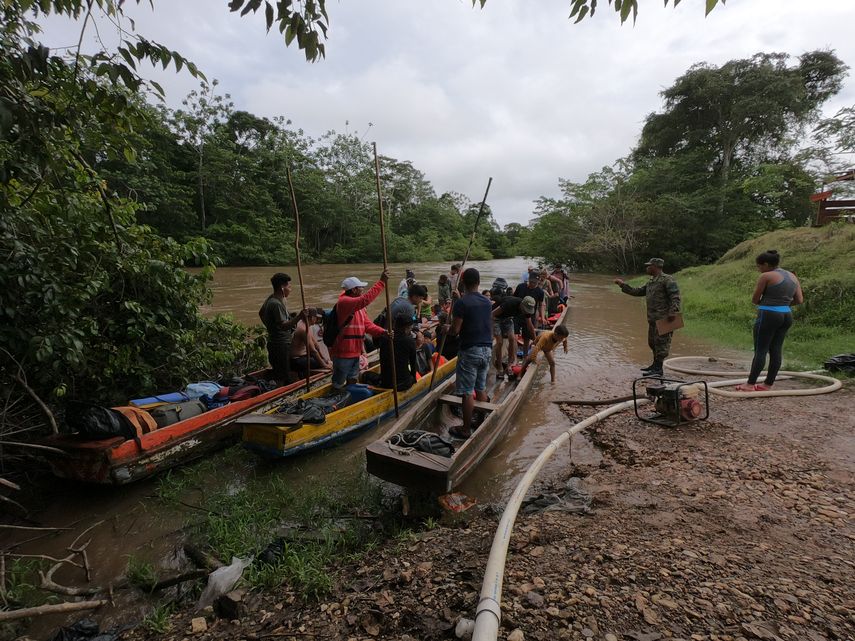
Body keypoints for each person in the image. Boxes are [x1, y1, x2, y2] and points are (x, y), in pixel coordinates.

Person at [735, 250, 804, 392]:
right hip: (786, 315)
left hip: (768, 315)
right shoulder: (792, 275)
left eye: (759, 266)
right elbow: (799, 300)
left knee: (761, 350)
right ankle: (768, 384)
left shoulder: (766, 276)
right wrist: (782, 304)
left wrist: (770, 304)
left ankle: (749, 384)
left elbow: (755, 299)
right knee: (776, 349)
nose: (758, 269)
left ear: (766, 264)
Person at [444, 267, 493, 439]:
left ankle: (465, 428)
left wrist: (446, 329)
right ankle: (479, 418)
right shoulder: (487, 302)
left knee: (466, 391)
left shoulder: (462, 303)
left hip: (470, 350)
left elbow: (455, 330)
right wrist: (459, 300)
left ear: (463, 283)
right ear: (478, 283)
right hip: (487, 349)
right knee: (480, 387)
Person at [614, 257, 681, 376]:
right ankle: (654, 365)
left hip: (665, 318)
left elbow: (675, 296)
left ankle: (658, 369)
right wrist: (623, 285)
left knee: (662, 344)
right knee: (653, 343)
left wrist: (673, 312)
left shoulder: (668, 280)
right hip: (653, 318)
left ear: (655, 267)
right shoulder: (651, 281)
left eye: (649, 266)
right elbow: (638, 291)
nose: (647, 268)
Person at [330, 271, 389, 390]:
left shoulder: (359, 308)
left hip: (355, 351)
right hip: (343, 352)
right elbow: (365, 300)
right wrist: (381, 282)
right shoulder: (344, 302)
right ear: (354, 290)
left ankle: (350, 397)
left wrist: (383, 332)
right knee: (338, 383)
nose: (363, 290)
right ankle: (336, 400)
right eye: (361, 288)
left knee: (353, 379)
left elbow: (367, 325)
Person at [259, 273, 304, 383]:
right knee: (284, 377)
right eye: (289, 287)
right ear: (282, 288)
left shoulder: (272, 298)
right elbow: (283, 326)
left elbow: (261, 313)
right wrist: (299, 317)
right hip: (280, 344)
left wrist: (272, 326)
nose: (290, 289)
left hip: (275, 342)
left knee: (281, 371)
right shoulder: (276, 304)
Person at [492, 295, 537, 375]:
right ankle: (499, 365)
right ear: (522, 305)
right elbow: (492, 314)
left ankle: (510, 363)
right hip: (496, 318)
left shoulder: (527, 311)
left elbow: (530, 326)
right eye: (525, 310)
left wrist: (536, 341)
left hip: (508, 318)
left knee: (512, 339)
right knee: (499, 342)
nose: (526, 312)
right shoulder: (510, 303)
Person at [378, 314, 418, 391]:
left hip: (385, 382)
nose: (410, 330)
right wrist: (414, 379)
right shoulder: (409, 341)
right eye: (410, 328)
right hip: (402, 383)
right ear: (406, 328)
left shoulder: (384, 338)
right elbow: (413, 362)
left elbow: (382, 360)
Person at [291, 308, 332, 376]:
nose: (317, 320)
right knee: (322, 362)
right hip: (297, 360)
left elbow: (316, 345)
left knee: (325, 361)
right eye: (316, 318)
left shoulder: (307, 325)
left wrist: (325, 359)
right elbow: (313, 351)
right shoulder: (304, 329)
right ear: (312, 317)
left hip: (304, 356)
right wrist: (324, 365)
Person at [513, 272, 545, 353]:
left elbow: (541, 305)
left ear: (538, 282)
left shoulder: (540, 292)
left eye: (535, 283)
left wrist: (542, 317)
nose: (532, 284)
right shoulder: (521, 286)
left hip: (530, 316)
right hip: (517, 314)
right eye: (531, 282)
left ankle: (525, 356)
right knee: (514, 336)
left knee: (526, 338)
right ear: (528, 280)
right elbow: (513, 299)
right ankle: (513, 358)